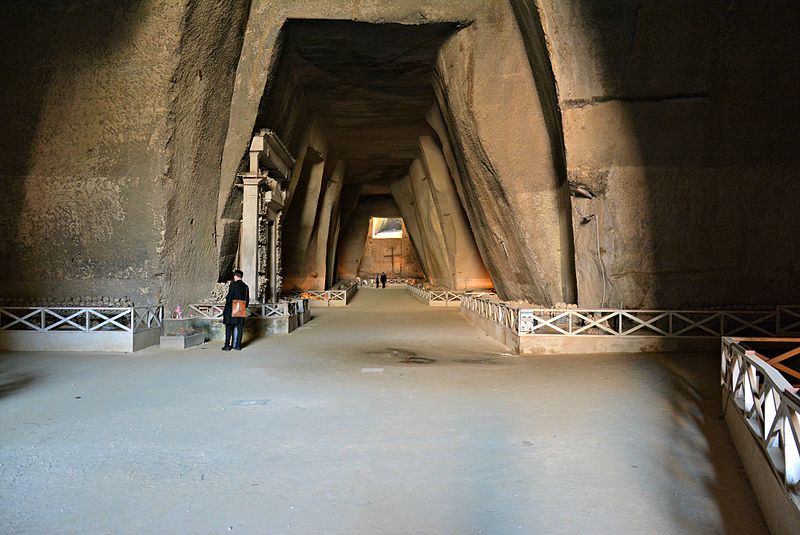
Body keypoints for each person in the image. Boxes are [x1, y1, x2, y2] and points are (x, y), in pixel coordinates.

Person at [222, 269, 249, 351]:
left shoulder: (233, 285)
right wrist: (243, 307)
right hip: (241, 309)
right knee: (239, 328)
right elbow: (247, 300)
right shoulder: (245, 286)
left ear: (235, 276)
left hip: (231, 310)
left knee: (229, 328)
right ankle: (237, 346)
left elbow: (229, 298)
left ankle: (227, 346)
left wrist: (226, 307)